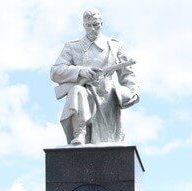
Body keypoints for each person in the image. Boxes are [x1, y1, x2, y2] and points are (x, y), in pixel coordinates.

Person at [50, 9, 138, 145]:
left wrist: (131, 92)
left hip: (107, 98)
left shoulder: (115, 46)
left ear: (101, 24)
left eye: (96, 24)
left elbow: (127, 74)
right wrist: (80, 71)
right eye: (88, 25)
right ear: (83, 25)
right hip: (83, 94)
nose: (92, 28)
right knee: (77, 91)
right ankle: (79, 132)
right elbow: (55, 72)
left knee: (107, 143)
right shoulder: (72, 47)